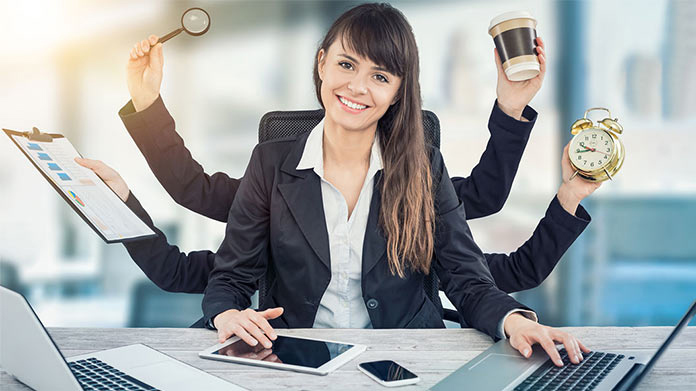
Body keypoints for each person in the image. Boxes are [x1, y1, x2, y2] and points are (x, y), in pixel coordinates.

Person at [79, 3, 600, 367]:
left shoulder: (422, 168)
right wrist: (144, 113)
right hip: (294, 360)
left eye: (380, 76)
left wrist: (512, 109)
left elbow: (474, 257)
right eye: (346, 64)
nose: (357, 86)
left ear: (399, 92)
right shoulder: (273, 168)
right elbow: (197, 202)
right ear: (321, 63)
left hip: (408, 361)